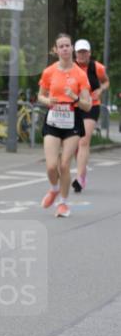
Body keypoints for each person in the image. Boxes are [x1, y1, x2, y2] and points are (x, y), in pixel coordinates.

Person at [37, 34, 92, 217]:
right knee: (51, 166)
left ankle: (63, 203)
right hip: (53, 119)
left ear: (72, 48)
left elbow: (88, 105)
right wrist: (48, 100)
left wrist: (75, 97)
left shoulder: (80, 74)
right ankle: (54, 189)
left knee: (64, 164)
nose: (65, 49)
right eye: (61, 46)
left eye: (68, 45)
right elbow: (40, 96)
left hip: (72, 120)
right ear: (56, 50)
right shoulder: (49, 72)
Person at [72, 38, 109, 192]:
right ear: (75, 53)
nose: (82, 55)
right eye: (79, 52)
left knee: (84, 141)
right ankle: (83, 170)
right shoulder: (70, 67)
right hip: (75, 106)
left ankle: (79, 178)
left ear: (89, 53)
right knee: (75, 144)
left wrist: (100, 90)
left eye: (84, 52)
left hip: (92, 106)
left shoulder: (97, 67)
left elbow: (106, 82)